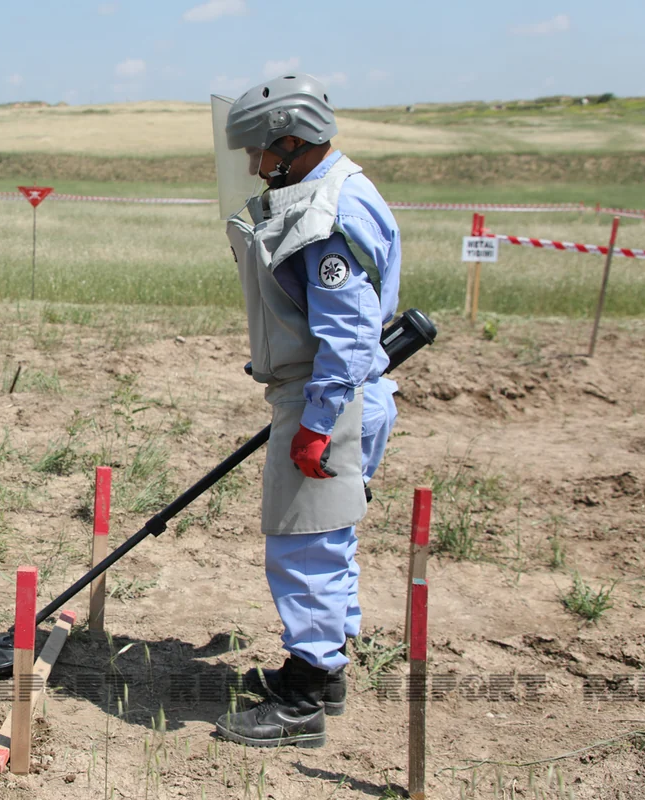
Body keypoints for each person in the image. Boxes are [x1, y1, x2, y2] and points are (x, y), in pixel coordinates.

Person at [211, 74, 401, 748]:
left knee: (304, 543)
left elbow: (347, 338)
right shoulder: (338, 188)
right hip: (337, 392)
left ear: (290, 141)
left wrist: (317, 424)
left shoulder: (327, 212)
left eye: (257, 153)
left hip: (332, 398)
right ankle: (325, 673)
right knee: (329, 535)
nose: (252, 167)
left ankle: (304, 696)